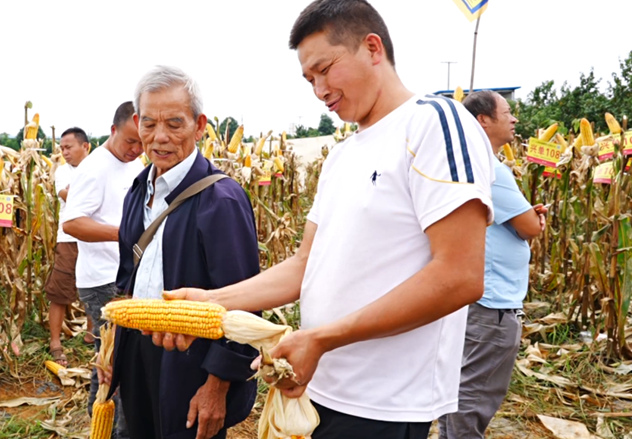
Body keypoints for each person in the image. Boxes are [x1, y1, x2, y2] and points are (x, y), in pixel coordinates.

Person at [157, 2, 495, 437]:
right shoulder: (342, 155)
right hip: (316, 389)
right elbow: (305, 265)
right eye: (309, 79)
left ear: (372, 48)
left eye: (324, 69)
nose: (319, 90)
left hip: (382, 402)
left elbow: (460, 275)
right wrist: (212, 302)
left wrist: (321, 339)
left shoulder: (433, 123)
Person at [100, 66, 260, 439]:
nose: (160, 137)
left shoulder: (220, 199)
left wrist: (217, 386)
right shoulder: (138, 190)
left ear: (199, 126)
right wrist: (112, 351)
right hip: (138, 347)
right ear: (137, 123)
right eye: (149, 124)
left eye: (174, 124)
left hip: (193, 361)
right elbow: (127, 279)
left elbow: (246, 303)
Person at [437, 91, 547, 438]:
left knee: (461, 388)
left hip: (475, 299)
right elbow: (529, 227)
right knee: (474, 395)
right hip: (492, 303)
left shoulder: (463, 165)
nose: (514, 119)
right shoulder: (490, 170)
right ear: (483, 120)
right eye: (508, 112)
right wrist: (533, 219)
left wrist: (525, 217)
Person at [61, 102, 143, 435]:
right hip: (102, 280)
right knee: (117, 359)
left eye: (142, 142)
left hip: (124, 275)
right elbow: (72, 223)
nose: (136, 149)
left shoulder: (136, 163)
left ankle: (100, 422)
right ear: (113, 131)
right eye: (130, 141)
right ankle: (116, 429)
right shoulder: (94, 168)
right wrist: (123, 234)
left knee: (108, 356)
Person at [44, 127, 91, 366]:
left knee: (96, 287)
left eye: (68, 147)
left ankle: (92, 336)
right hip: (69, 238)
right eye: (62, 148)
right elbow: (66, 195)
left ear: (85, 146)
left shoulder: (97, 168)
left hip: (94, 238)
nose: (64, 152)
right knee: (60, 291)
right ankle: (55, 342)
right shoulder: (63, 171)